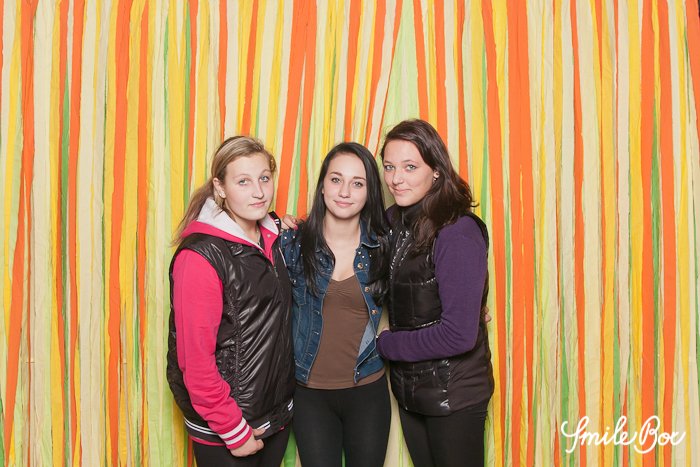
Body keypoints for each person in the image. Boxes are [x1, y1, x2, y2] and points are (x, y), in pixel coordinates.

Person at [166, 136, 295, 467]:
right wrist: (233, 430)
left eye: (264, 178)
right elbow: (195, 362)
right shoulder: (200, 257)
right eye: (243, 181)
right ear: (220, 188)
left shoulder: (273, 236)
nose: (259, 192)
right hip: (228, 428)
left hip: (274, 417)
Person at [375, 119, 494, 467]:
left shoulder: (457, 232)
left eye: (410, 167)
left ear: (437, 171)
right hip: (412, 391)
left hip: (454, 394)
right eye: (389, 167)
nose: (396, 179)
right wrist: (286, 226)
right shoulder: (395, 222)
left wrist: (386, 345)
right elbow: (341, 233)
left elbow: (458, 335)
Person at [280, 142, 392, 467]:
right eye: (336, 179)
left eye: (357, 183)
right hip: (309, 393)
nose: (344, 192)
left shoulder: (383, 247)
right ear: (322, 186)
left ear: (370, 192)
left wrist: (473, 305)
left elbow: (419, 292)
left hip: (367, 390)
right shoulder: (291, 242)